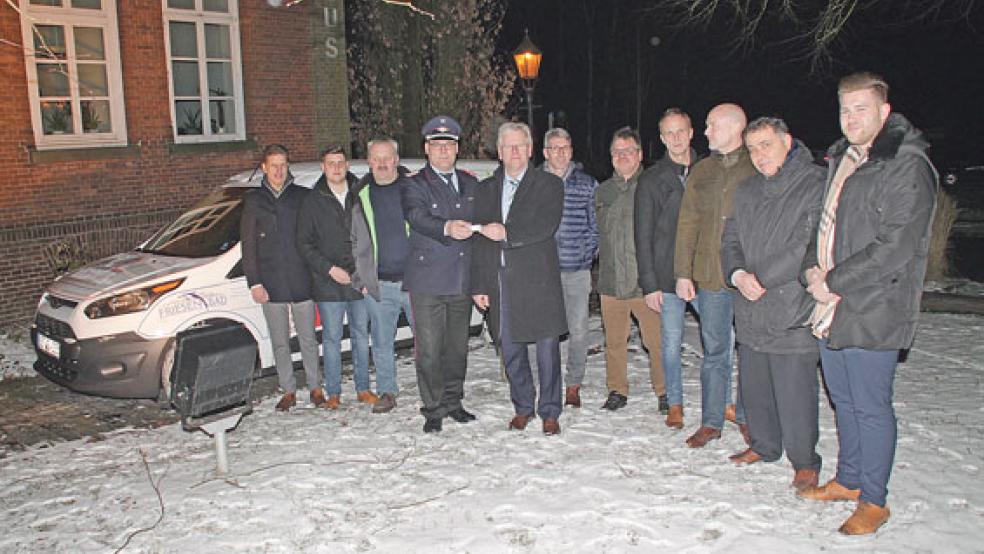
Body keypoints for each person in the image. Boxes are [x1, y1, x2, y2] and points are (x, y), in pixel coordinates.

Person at [799, 72, 937, 535]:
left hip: (874, 304)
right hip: (831, 304)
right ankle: (851, 479)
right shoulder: (842, 158)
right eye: (844, 109)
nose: (851, 118)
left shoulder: (904, 164)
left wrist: (833, 280)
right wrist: (810, 270)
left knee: (871, 405)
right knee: (844, 401)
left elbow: (896, 246)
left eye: (861, 108)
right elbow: (823, 226)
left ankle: (874, 501)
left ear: (884, 110)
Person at [719, 117, 824, 491]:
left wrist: (762, 278)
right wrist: (737, 275)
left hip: (790, 304)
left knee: (794, 390)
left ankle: (805, 460)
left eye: (766, 145)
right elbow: (730, 239)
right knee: (756, 384)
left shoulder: (813, 183)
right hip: (749, 303)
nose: (759, 155)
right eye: (753, 149)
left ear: (787, 141)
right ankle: (764, 445)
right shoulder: (747, 190)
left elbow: (804, 244)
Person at [472, 122, 567, 434]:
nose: (514, 152)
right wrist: (479, 284)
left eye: (520, 146)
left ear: (529, 149)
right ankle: (523, 406)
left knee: (546, 351)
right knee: (510, 349)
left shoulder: (549, 185)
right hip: (500, 281)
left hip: (538, 280)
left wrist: (507, 233)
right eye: (508, 147)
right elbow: (478, 241)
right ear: (499, 152)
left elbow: (545, 225)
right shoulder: (484, 190)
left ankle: (550, 410)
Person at [674, 103, 756, 447]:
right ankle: (712, 420)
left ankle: (752, 418)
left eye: (711, 126)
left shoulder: (757, 165)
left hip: (752, 279)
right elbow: (688, 222)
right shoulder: (702, 170)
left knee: (753, 353)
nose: (705, 132)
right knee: (715, 351)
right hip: (710, 278)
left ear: (735, 127)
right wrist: (682, 272)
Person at [401, 115, 480, 433]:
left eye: (449, 145)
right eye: (437, 145)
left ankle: (453, 401)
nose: (443, 151)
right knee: (430, 350)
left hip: (462, 278)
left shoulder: (471, 183)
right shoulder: (414, 184)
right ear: (426, 148)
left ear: (457, 148)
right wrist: (447, 227)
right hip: (429, 281)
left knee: (457, 348)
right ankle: (433, 407)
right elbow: (417, 216)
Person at [240, 144, 320, 411]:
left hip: (301, 279)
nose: (278, 170)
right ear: (264, 167)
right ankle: (288, 389)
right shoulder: (254, 201)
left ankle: (315, 386)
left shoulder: (302, 197)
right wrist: (254, 282)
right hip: (270, 282)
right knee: (279, 340)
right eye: (273, 165)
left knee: (308, 338)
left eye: (283, 165)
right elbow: (248, 245)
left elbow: (312, 239)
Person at [634, 108, 700, 428]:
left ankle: (724, 403)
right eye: (668, 133)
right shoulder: (652, 179)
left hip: (706, 273)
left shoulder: (709, 171)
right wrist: (649, 283)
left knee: (720, 344)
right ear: (661, 138)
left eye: (680, 131)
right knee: (670, 342)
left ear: (691, 133)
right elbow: (642, 234)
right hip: (668, 275)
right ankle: (674, 403)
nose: (675, 138)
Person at [296, 146, 374, 409]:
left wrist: (362, 271)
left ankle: (363, 388)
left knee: (361, 335)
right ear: (323, 166)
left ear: (347, 164)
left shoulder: (360, 193)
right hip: (328, 282)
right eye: (331, 163)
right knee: (331, 339)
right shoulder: (312, 200)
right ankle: (334, 393)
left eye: (341, 163)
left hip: (359, 278)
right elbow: (304, 244)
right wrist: (329, 269)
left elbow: (370, 235)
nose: (337, 168)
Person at [595, 127, 665, 412]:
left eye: (628, 151)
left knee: (656, 341)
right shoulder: (603, 191)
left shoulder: (652, 186)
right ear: (611, 157)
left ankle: (665, 391)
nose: (623, 156)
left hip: (644, 281)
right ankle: (617, 389)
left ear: (640, 154)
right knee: (614, 340)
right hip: (611, 280)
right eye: (617, 152)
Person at [351, 138, 415, 414]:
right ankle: (387, 392)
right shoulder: (360, 194)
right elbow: (349, 241)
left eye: (386, 157)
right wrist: (359, 279)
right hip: (379, 285)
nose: (381, 163)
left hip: (416, 282)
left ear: (396, 160)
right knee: (381, 343)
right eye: (376, 158)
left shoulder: (413, 188)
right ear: (369, 161)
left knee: (427, 340)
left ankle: (432, 390)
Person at [541, 127, 599, 409]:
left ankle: (573, 384)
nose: (560, 153)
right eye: (554, 148)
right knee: (545, 331)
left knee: (578, 330)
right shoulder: (534, 182)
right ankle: (547, 383)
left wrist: (585, 254)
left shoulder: (587, 184)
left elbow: (595, 226)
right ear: (545, 152)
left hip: (577, 269)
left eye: (565, 147)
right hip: (544, 271)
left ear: (571, 151)